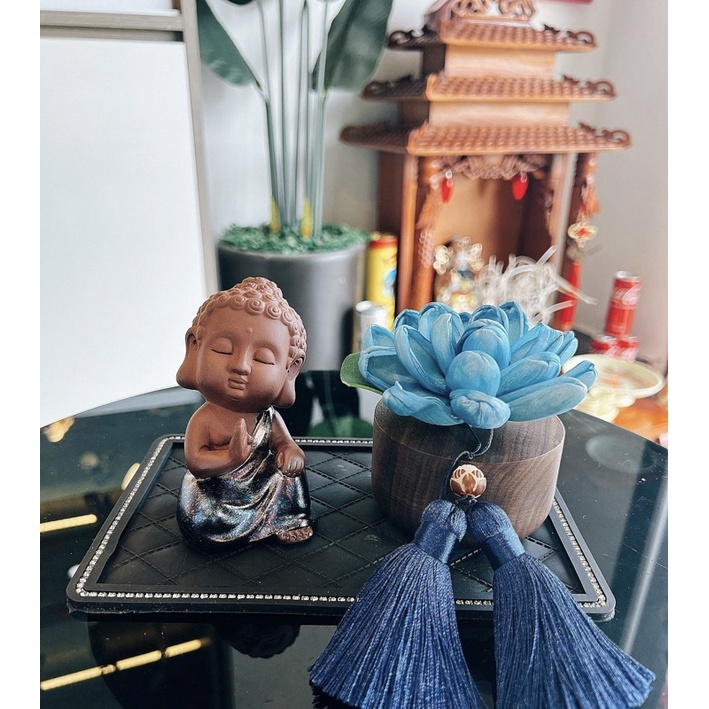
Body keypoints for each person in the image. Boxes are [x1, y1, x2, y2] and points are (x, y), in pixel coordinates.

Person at [175, 277, 313, 549]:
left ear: (289, 370)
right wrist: (230, 458)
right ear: (195, 347)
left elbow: (284, 443)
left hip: (263, 490)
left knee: (287, 475)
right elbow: (196, 462)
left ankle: (288, 520)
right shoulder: (204, 419)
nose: (241, 366)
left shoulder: (267, 417)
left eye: (262, 358)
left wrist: (290, 451)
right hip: (216, 497)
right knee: (200, 516)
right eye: (223, 350)